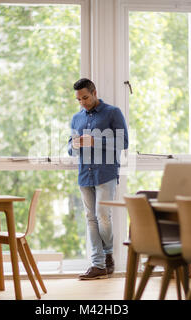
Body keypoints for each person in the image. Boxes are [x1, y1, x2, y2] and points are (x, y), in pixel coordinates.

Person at [68, 78, 128, 280]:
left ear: (94, 92)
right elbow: (70, 149)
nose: (82, 102)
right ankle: (98, 264)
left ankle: (108, 253)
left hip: (106, 172)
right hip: (85, 173)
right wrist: (75, 145)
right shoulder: (76, 119)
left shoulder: (113, 113)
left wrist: (95, 140)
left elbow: (123, 142)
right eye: (79, 99)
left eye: (85, 97)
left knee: (103, 216)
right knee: (90, 219)